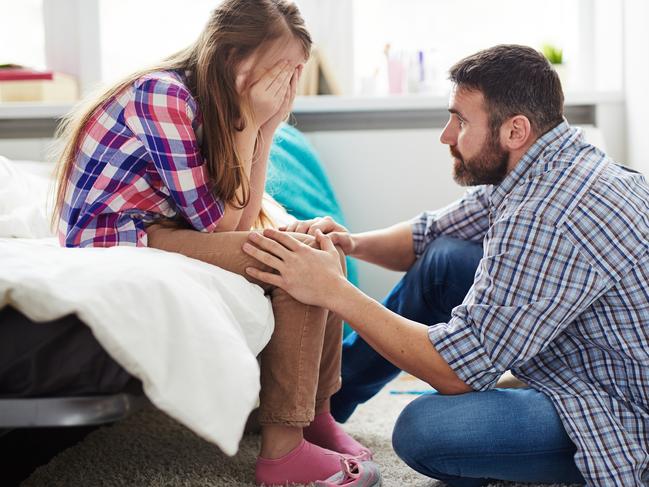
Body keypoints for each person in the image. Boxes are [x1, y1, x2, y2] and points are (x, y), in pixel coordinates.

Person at [242, 44, 649, 486]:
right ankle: (324, 406)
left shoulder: (546, 212)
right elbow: (429, 233)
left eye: (461, 120)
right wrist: (349, 242)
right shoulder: (549, 162)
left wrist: (332, 290)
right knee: (445, 260)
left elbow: (458, 372)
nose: (446, 135)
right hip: (586, 352)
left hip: (618, 408)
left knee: (425, 431)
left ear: (515, 130)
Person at [52, 1, 377, 485]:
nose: (282, 85)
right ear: (231, 57)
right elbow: (220, 228)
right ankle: (283, 453)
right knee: (297, 265)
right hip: (117, 236)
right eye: (275, 70)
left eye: (292, 73)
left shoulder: (216, 104)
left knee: (318, 249)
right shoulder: (162, 95)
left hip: (162, 230)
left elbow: (241, 217)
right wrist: (251, 120)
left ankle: (315, 418)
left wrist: (266, 127)